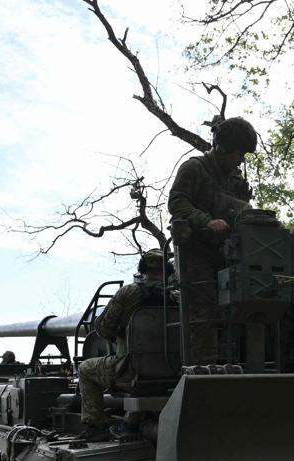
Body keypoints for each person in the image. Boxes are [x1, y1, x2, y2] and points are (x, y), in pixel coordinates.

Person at [168, 116, 257, 364]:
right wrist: (206, 221)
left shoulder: (235, 180)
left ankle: (239, 362)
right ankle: (204, 368)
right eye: (238, 153)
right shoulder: (194, 168)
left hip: (229, 253)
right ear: (222, 148)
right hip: (196, 252)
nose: (241, 160)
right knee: (204, 311)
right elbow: (177, 202)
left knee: (245, 303)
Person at [76, 249, 169, 440]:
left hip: (131, 371)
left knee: (85, 369)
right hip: (171, 370)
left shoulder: (129, 292)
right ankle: (132, 421)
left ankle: (96, 427)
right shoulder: (177, 296)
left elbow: (103, 329)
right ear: (168, 269)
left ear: (142, 268)